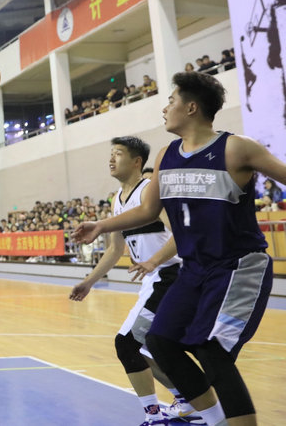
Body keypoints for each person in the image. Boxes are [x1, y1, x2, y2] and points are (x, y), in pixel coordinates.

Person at [73, 71, 286, 426]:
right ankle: (215, 420)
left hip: (237, 266)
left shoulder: (236, 148)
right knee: (160, 342)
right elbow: (147, 210)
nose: (165, 108)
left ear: (191, 108)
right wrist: (101, 226)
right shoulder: (167, 155)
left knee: (211, 350)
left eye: (171, 101)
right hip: (194, 269)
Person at [69, 136, 201, 425]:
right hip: (153, 280)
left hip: (171, 276)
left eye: (118, 153)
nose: (111, 159)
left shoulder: (149, 192)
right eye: (111, 154)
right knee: (148, 346)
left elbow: (181, 234)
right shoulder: (117, 199)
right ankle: (189, 400)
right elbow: (115, 250)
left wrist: (154, 260)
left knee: (128, 343)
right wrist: (89, 281)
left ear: (137, 161)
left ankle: (157, 414)